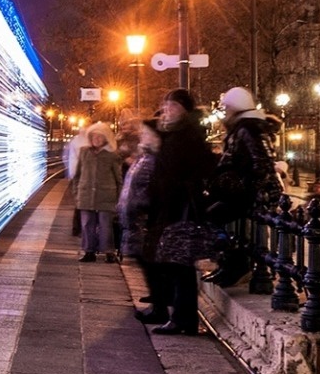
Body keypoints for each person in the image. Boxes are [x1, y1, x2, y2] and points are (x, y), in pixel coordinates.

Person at [143, 88, 215, 335]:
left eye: (173, 106)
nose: (167, 111)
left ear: (185, 109)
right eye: (166, 106)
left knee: (179, 264)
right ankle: (180, 317)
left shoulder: (186, 135)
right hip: (172, 206)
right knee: (176, 263)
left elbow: (180, 173)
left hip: (179, 208)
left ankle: (183, 319)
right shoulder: (177, 134)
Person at [204, 86, 283, 287]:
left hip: (248, 193)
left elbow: (261, 163)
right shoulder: (245, 127)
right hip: (243, 190)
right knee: (223, 221)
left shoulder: (248, 128)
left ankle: (236, 265)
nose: (225, 113)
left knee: (215, 216)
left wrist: (245, 189)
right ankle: (228, 264)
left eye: (227, 108)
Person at [120, 123, 165, 322]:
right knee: (146, 263)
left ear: (156, 137)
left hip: (144, 220)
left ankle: (159, 309)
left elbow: (149, 189)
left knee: (151, 264)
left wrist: (139, 208)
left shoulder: (154, 159)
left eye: (146, 133)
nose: (142, 135)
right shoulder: (145, 156)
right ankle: (157, 305)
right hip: (136, 219)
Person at [74, 127, 124, 262]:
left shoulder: (112, 155)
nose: (96, 139)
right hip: (86, 194)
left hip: (106, 195)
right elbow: (78, 174)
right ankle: (89, 251)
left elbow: (118, 178)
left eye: (100, 137)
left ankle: (109, 252)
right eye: (94, 137)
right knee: (87, 224)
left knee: (105, 225)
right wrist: (76, 192)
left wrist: (119, 197)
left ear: (105, 139)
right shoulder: (84, 152)